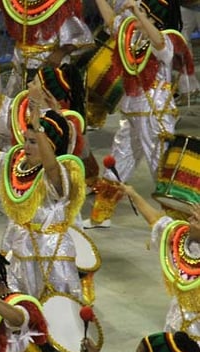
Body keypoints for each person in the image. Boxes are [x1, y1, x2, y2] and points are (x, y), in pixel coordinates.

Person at [86, 0, 192, 228]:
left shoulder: (166, 42)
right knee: (119, 159)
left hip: (155, 117)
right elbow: (111, 22)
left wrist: (136, 12)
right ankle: (100, 215)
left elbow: (159, 42)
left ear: (154, 18)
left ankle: (179, 222)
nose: (136, 13)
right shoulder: (132, 36)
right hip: (133, 114)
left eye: (143, 11)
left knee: (160, 168)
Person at [0, 100, 86, 302]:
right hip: (20, 250)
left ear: (49, 145)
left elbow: (51, 169)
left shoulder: (62, 174)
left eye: (33, 142)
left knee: (57, 312)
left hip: (52, 256)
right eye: (26, 140)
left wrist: (39, 128)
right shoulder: (17, 163)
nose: (25, 146)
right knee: (21, 308)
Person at [123, 187, 200, 341]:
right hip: (175, 326)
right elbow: (156, 221)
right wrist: (133, 193)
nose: (190, 220)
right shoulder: (181, 239)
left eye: (196, 219)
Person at [0, 0, 93, 95]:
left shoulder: (62, 4)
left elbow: (79, 36)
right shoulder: (17, 4)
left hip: (50, 67)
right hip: (21, 64)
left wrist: (60, 53)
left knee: (50, 103)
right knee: (18, 103)